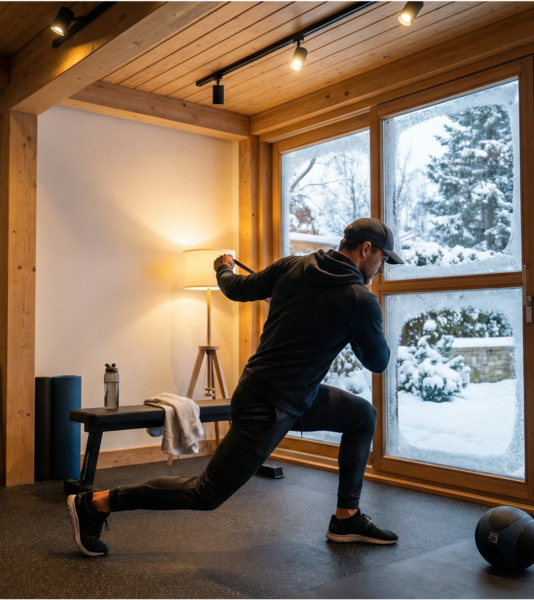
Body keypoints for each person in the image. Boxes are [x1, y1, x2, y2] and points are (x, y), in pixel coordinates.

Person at [67, 217, 404, 556]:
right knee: (204, 493)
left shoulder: (293, 266)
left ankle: (346, 518)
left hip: (296, 394)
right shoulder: (359, 299)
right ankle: (94, 504)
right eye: (382, 259)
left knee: (362, 415)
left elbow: (236, 288)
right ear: (366, 249)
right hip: (267, 405)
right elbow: (378, 361)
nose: (381, 268)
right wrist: (361, 323)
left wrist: (223, 268)